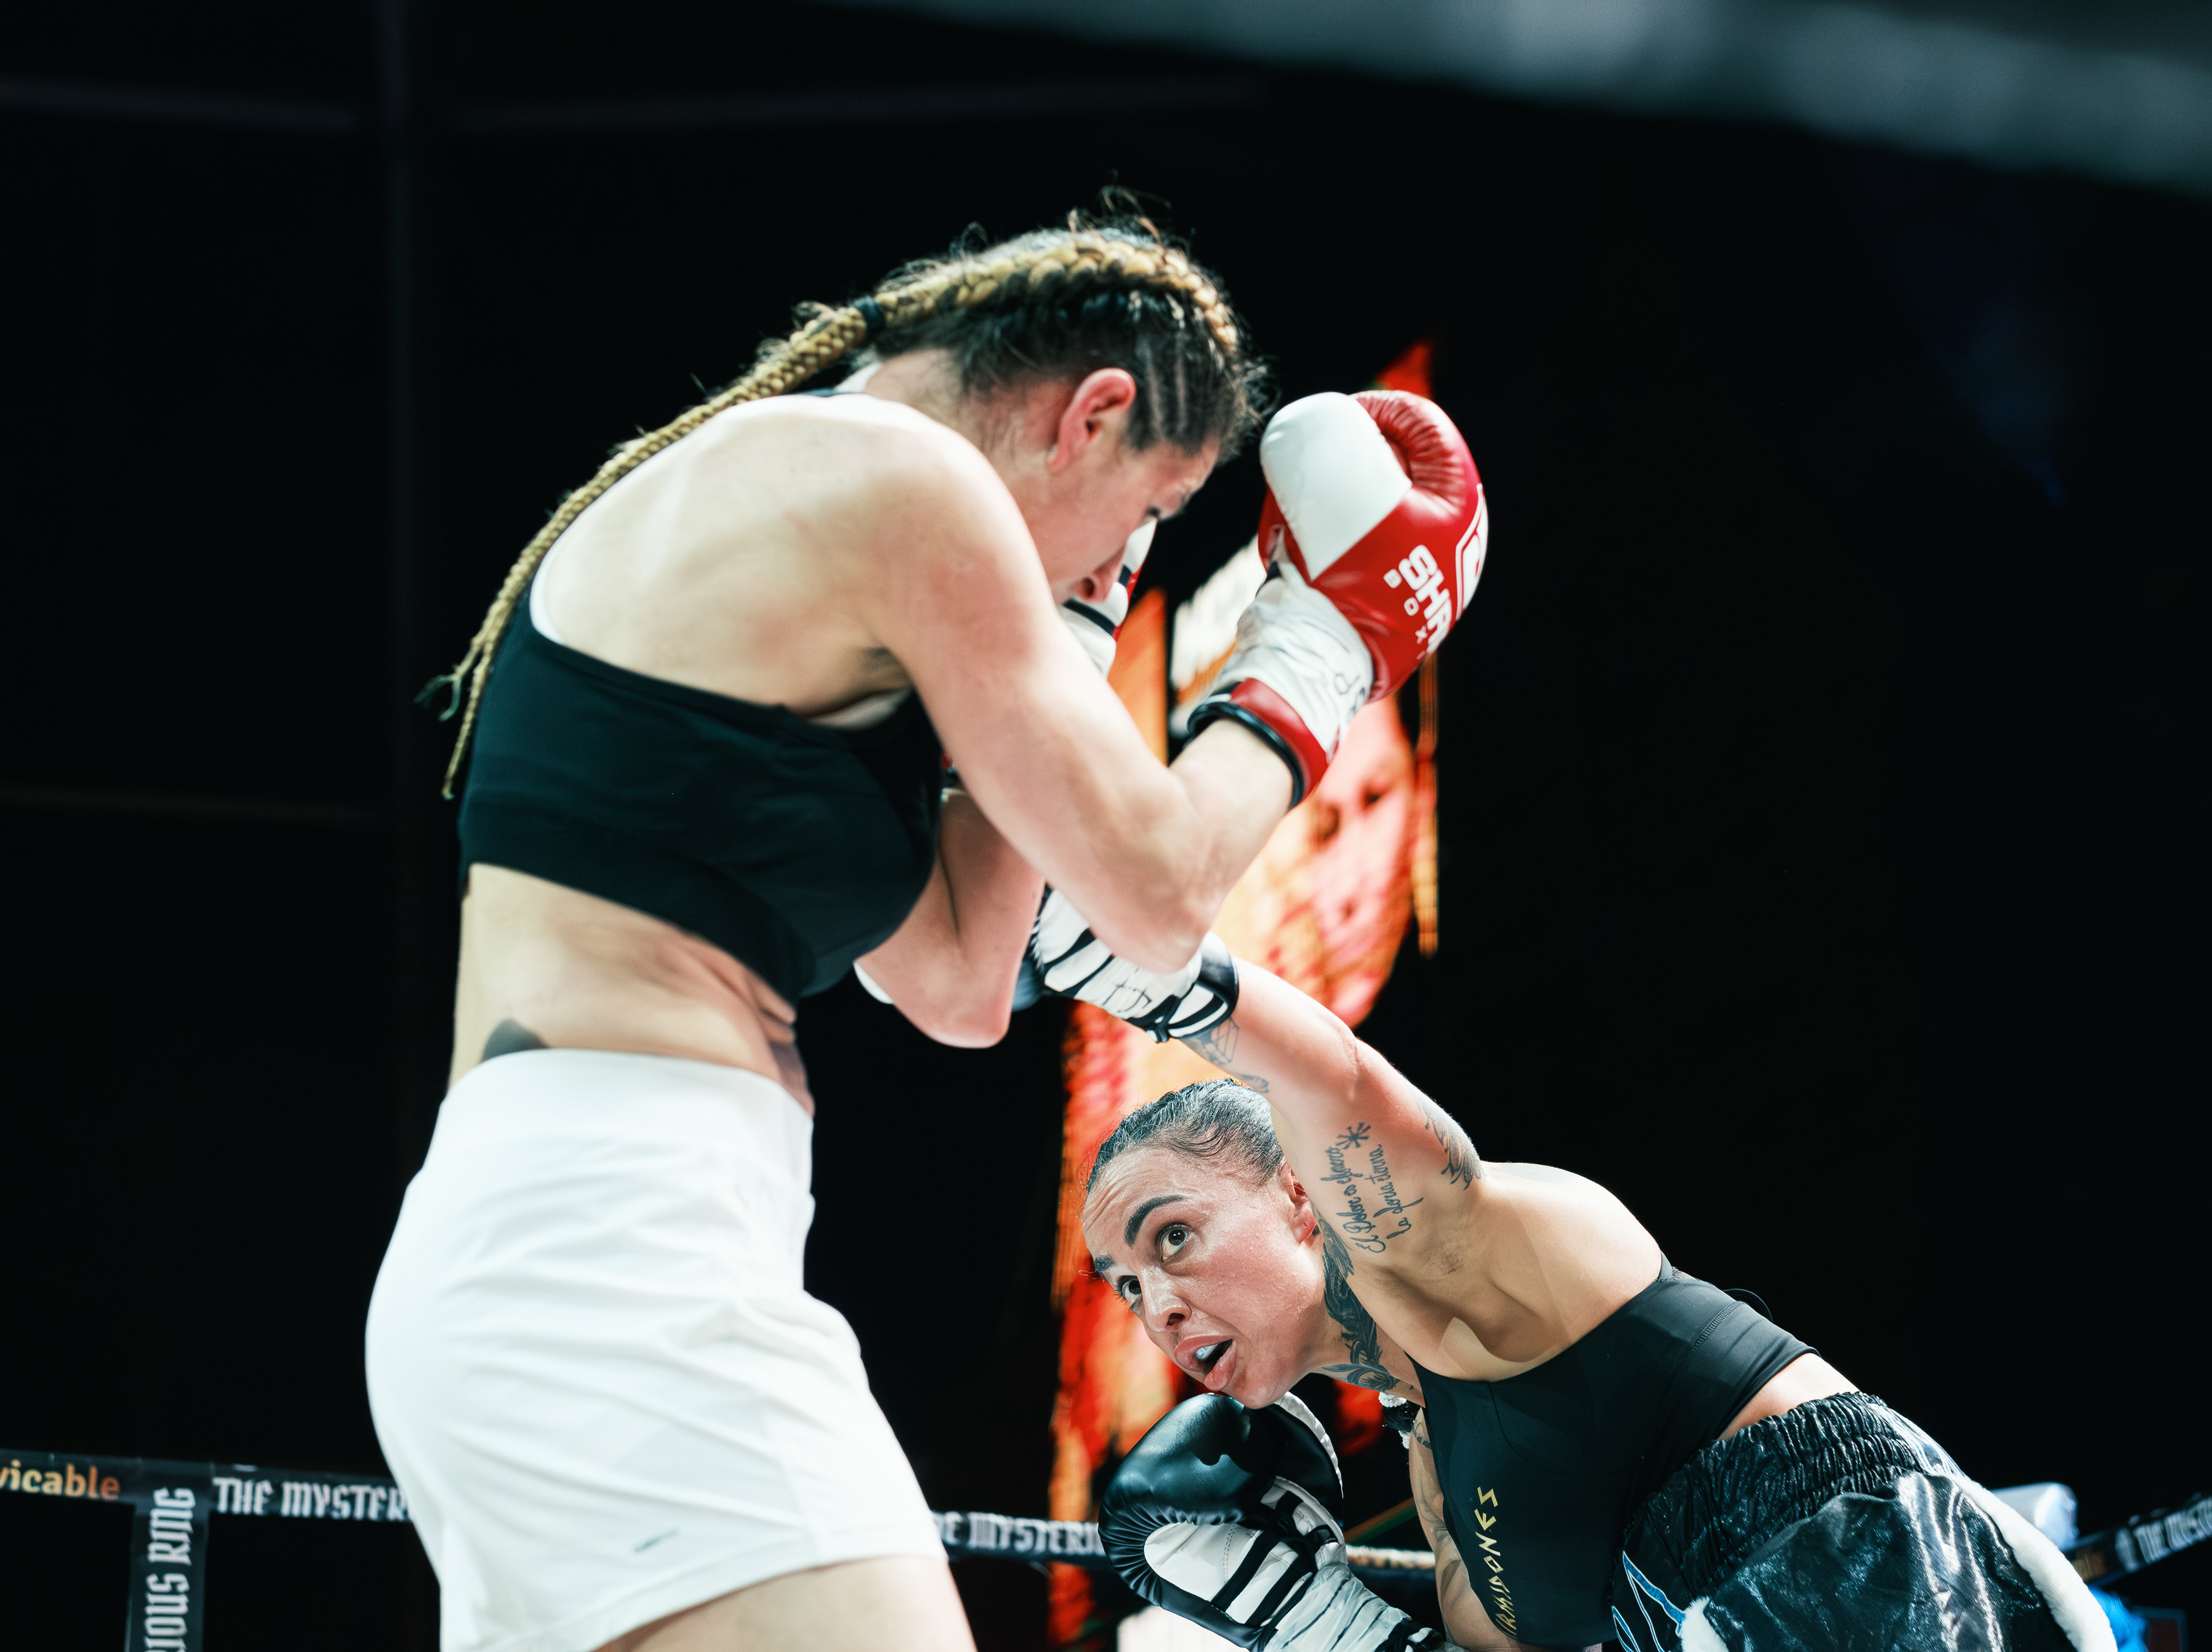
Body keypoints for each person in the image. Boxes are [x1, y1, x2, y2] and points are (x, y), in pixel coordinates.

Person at [365, 212, 1487, 1652]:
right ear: (1092, 416)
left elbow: (957, 983)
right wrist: (1327, 641)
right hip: (613, 1250)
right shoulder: (896, 472)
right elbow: (1157, 892)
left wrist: (1080, 632)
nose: (1129, 559)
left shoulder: (801, 565)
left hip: (577, 1242)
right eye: (1148, 512)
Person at [1051, 949, 2113, 1652]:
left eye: (1173, 1237)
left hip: (1872, 1574)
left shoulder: (1452, 1260)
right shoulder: (1442, 1478)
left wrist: (1146, 959)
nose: (1159, 1309)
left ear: (1299, 1195)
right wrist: (1298, 1612)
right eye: (1130, 1286)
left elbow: (1334, 1083)